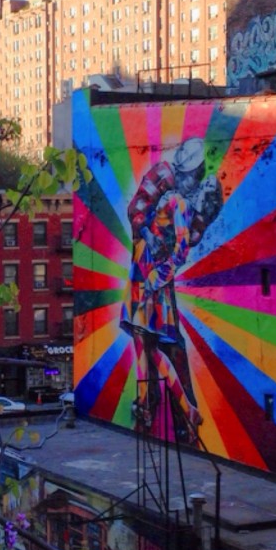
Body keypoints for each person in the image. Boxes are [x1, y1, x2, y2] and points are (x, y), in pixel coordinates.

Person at [121, 139, 221, 442]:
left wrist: (157, 274)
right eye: (191, 176)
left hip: (152, 276)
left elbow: (183, 246)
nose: (193, 182)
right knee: (145, 339)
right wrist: (150, 241)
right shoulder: (166, 180)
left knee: (151, 341)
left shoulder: (184, 202)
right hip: (145, 269)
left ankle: (176, 409)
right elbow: (135, 211)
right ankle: (154, 404)